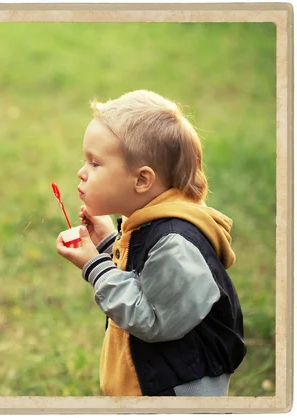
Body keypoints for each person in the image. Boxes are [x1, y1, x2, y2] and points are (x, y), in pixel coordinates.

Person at [56, 90, 246, 396]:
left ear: (142, 180)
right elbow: (145, 282)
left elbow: (151, 318)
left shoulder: (175, 243)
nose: (81, 172)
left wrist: (94, 265)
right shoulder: (150, 223)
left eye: (95, 163)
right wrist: (107, 244)